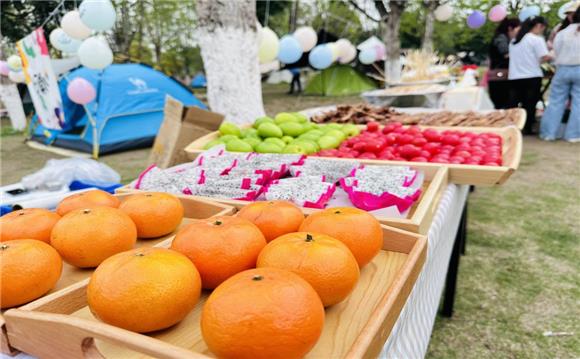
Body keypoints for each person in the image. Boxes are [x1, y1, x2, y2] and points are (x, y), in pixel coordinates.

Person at [540, 6, 580, 142]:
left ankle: (548, 133)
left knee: (556, 102)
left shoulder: (561, 32)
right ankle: (573, 134)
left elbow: (555, 51)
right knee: (578, 103)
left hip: (562, 69)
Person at [509, 16, 552, 135]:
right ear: (539, 26)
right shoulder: (536, 39)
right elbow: (544, 57)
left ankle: (513, 125)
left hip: (514, 76)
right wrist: (552, 54)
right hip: (531, 76)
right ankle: (527, 128)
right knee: (529, 104)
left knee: (515, 104)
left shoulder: (514, 41)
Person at [488, 18, 521, 109]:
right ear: (510, 28)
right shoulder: (501, 38)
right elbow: (506, 54)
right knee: (504, 103)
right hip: (500, 77)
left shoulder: (500, 37)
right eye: (518, 29)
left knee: (501, 104)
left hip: (498, 76)